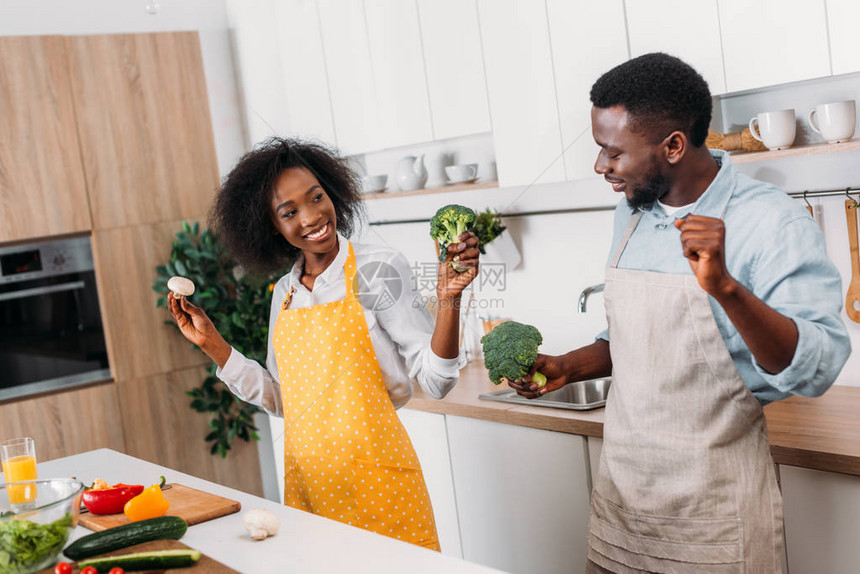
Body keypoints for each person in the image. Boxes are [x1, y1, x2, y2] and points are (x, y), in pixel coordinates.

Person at [509, 53, 850, 572]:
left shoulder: (770, 221)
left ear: (672, 145)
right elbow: (632, 337)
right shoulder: (631, 213)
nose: (601, 167)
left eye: (613, 152)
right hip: (624, 506)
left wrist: (726, 288)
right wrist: (567, 367)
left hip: (712, 517)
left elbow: (817, 368)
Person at [167, 137, 480, 551]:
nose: (313, 216)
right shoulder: (286, 293)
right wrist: (215, 346)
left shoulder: (377, 268)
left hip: (380, 484)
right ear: (272, 227)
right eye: (290, 212)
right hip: (310, 488)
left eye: (316, 197)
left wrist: (449, 300)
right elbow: (283, 399)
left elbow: (437, 381)